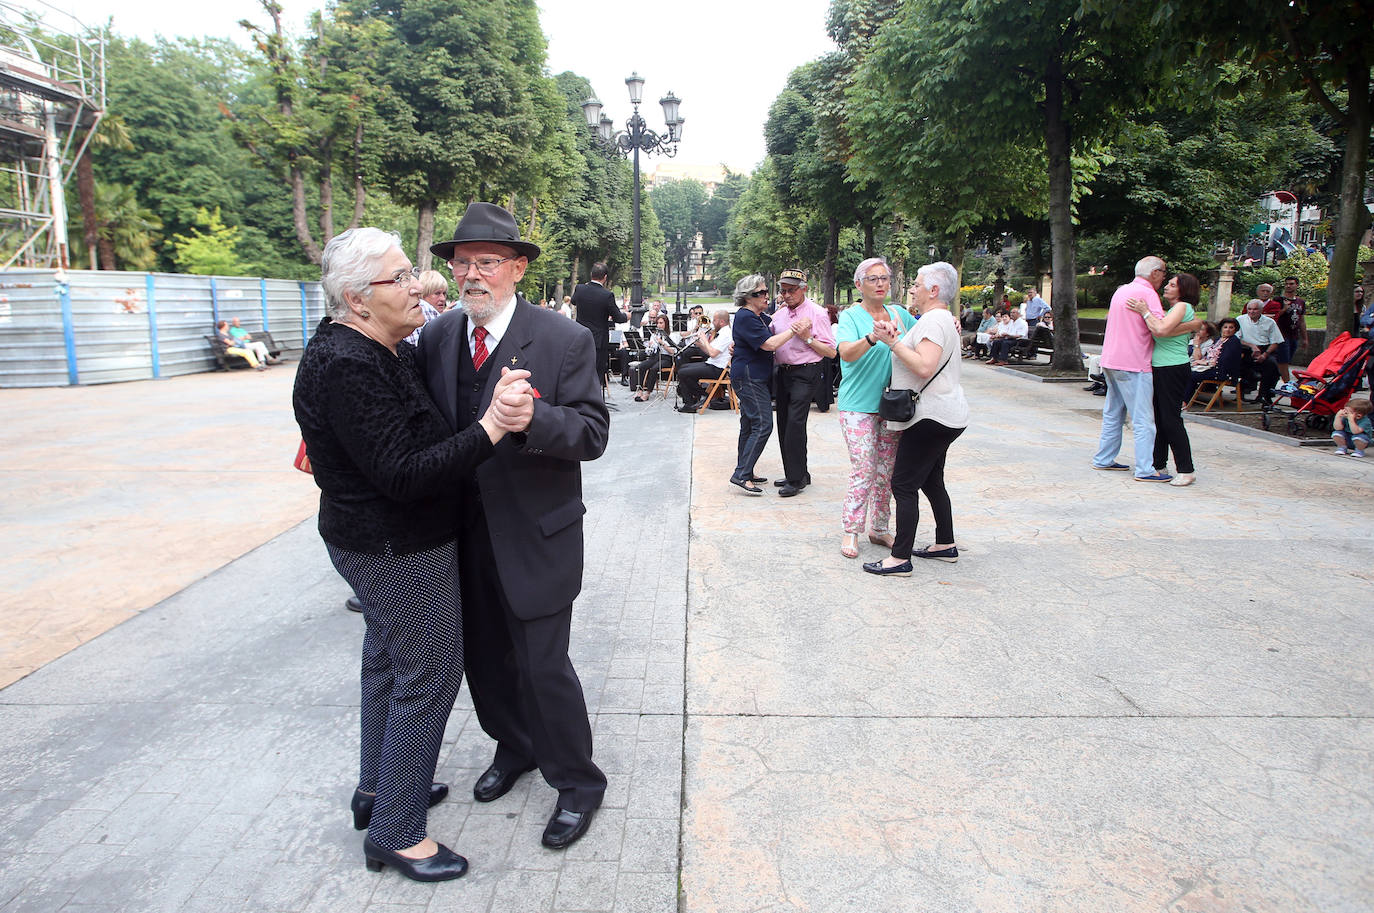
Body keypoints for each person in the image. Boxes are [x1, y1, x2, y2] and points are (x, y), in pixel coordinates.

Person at [293, 226, 533, 882]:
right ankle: (397, 831)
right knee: (428, 673)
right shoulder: (346, 363)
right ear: (358, 298)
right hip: (394, 544)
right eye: (399, 278)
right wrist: (491, 427)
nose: (419, 286)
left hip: (384, 538)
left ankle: (379, 789)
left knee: (386, 664)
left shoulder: (378, 346)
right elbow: (401, 472)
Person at [416, 202, 610, 851]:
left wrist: (533, 418)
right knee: (485, 665)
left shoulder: (564, 341)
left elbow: (592, 433)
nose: (473, 274)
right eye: (462, 262)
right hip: (460, 539)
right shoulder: (439, 336)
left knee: (541, 667)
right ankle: (516, 745)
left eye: (488, 262)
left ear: (518, 268)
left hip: (537, 537)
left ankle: (578, 781)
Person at [863, 261, 968, 576]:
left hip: (931, 417)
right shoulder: (936, 320)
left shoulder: (935, 320)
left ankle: (900, 557)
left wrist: (892, 343)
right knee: (931, 481)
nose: (911, 288)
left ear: (933, 290)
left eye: (917, 283)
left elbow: (924, 366)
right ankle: (945, 544)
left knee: (903, 484)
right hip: (944, 414)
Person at [834, 257, 916, 559]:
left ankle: (879, 527)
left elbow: (923, 337)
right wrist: (872, 337)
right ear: (859, 284)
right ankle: (851, 529)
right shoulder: (851, 317)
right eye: (873, 278)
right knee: (864, 467)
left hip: (892, 405)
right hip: (857, 404)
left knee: (887, 471)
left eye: (885, 278)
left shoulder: (899, 313)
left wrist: (949, 321)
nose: (881, 283)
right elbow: (845, 353)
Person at [1092, 256, 1171, 481]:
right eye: (1163, 272)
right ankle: (1146, 469)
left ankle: (1104, 458)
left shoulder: (1122, 290)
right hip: (1134, 362)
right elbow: (1160, 327)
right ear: (1154, 272)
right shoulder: (1147, 294)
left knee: (1113, 413)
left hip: (1111, 359)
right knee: (1143, 419)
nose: (1164, 277)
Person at [1128, 272, 1205, 487]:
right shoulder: (1173, 310)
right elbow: (1166, 329)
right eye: (1168, 283)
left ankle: (1186, 469)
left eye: (1172, 285)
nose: (1167, 287)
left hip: (1172, 367)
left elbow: (1160, 330)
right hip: (1161, 367)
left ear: (1183, 289)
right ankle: (1158, 464)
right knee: (1160, 419)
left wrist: (1144, 311)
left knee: (1171, 419)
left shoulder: (1182, 306)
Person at [768, 268, 838, 496]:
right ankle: (796, 472)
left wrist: (807, 337)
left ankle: (796, 480)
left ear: (803, 289)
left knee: (795, 424)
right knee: (784, 423)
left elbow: (830, 352)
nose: (786, 295)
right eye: (783, 290)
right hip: (784, 372)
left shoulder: (817, 313)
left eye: (791, 291)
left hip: (806, 372)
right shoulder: (779, 314)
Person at [728, 274, 787, 495]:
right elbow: (769, 344)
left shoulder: (759, 316)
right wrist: (796, 330)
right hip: (749, 377)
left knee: (750, 425)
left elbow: (775, 322)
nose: (766, 295)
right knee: (763, 424)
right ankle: (741, 474)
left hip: (751, 376)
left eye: (766, 291)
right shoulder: (746, 316)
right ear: (747, 297)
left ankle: (746, 470)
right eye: (760, 293)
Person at [572, 262, 627, 390]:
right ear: (605, 277)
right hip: (599, 340)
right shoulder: (607, 295)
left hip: (581, 338)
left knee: (581, 370)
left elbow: (574, 301)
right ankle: (595, 400)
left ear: (591, 274)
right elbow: (618, 318)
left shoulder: (580, 288)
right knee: (597, 373)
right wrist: (627, 316)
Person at [677, 308, 732, 412]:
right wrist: (699, 344)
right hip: (712, 364)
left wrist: (703, 338)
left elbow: (712, 353)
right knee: (682, 368)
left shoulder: (726, 334)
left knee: (682, 372)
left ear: (721, 321)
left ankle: (701, 396)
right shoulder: (721, 333)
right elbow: (709, 351)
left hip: (718, 369)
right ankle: (693, 400)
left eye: (714, 320)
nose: (713, 323)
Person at [1236, 298, 1284, 404]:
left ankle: (1264, 395)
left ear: (1261, 310)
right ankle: (1242, 391)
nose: (1252, 311)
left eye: (1255, 309)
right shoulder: (1240, 319)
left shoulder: (1270, 322)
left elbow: (1276, 341)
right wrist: (1251, 346)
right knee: (1241, 365)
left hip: (1265, 349)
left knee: (1272, 367)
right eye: (1249, 309)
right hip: (1246, 348)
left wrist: (1265, 354)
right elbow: (1236, 338)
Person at [1185, 317, 1244, 402]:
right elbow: (1210, 355)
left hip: (1221, 372)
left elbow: (1224, 359)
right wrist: (1200, 362)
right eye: (1225, 327)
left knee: (1191, 375)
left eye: (1231, 327)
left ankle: (1185, 401)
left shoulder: (1233, 341)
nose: (1228, 330)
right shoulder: (1219, 339)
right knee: (1184, 371)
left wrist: (1204, 362)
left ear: (1235, 329)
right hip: (1212, 367)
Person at [629, 313, 679, 401]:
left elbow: (673, 352)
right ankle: (640, 390)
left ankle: (648, 392)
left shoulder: (672, 335)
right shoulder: (654, 335)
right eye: (657, 323)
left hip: (667, 358)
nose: (659, 325)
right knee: (640, 367)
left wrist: (662, 343)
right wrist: (649, 347)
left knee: (654, 369)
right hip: (655, 356)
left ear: (666, 324)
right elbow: (651, 351)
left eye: (661, 323)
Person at [1272, 275, 1308, 381]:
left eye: (1291, 284)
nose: (1288, 286)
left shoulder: (1301, 302)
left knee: (1287, 360)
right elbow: (1273, 316)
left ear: (1297, 285)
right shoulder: (1278, 300)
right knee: (1283, 361)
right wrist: (1284, 309)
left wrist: (1305, 338)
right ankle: (1287, 383)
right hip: (1281, 335)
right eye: (1287, 284)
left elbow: (1302, 321)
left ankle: (1275, 379)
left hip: (1294, 335)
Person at [403, 270, 449, 345]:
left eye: (444, 293)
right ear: (423, 294)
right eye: (437, 293)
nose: (443, 298)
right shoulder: (425, 309)